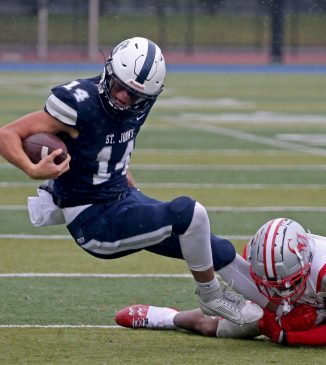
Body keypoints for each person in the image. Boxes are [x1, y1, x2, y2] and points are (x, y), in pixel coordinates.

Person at [0, 37, 265, 326]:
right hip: (93, 220)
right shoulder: (78, 104)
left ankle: (279, 304)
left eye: (135, 95)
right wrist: (32, 169)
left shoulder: (140, 101)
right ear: (109, 73)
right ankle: (211, 295)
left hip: (122, 197)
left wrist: (131, 188)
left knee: (214, 246)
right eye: (121, 88)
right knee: (189, 213)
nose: (125, 97)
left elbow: (112, 149)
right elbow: (7, 134)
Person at [115, 218, 326, 346]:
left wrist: (283, 336)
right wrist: (273, 319)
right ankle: (163, 317)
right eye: (273, 283)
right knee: (212, 325)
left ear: (306, 262)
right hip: (276, 311)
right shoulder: (258, 259)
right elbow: (266, 297)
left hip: (324, 309)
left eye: (287, 282)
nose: (281, 290)